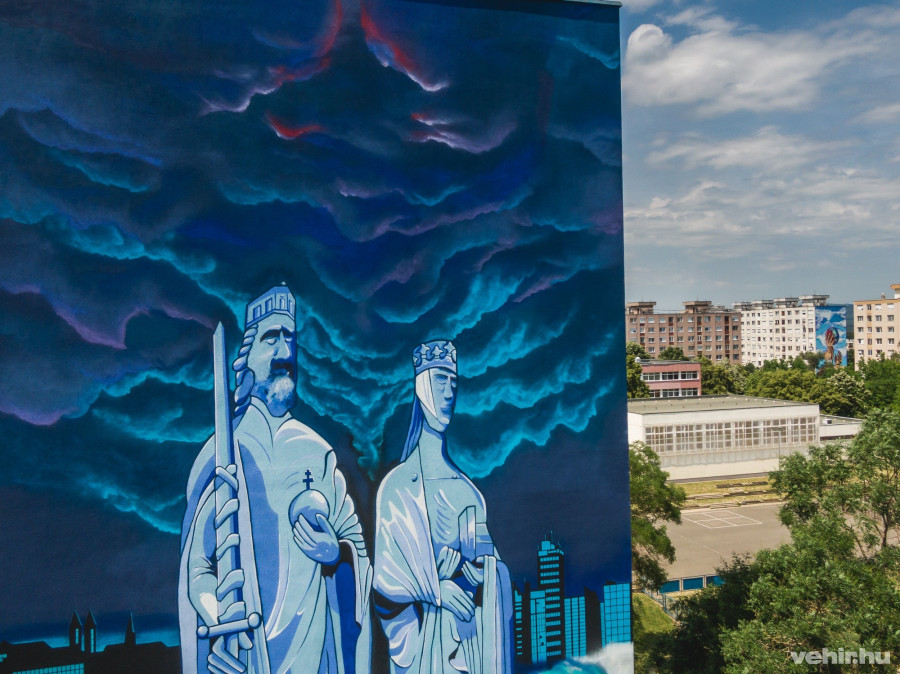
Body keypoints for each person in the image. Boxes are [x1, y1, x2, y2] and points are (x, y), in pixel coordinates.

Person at [178, 284, 371, 674]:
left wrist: (335, 554)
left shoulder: (318, 453)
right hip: (246, 653)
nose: (285, 351)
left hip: (312, 656)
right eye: (271, 338)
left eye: (290, 339)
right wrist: (219, 618)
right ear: (246, 357)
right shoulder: (222, 453)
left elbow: (357, 550)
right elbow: (198, 566)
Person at [373, 340, 512, 674]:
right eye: (440, 380)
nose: (449, 392)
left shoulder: (468, 493)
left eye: (454, 382)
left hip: (468, 650)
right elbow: (384, 587)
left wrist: (483, 573)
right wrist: (436, 592)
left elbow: (493, 570)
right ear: (421, 386)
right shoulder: (397, 489)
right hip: (421, 654)